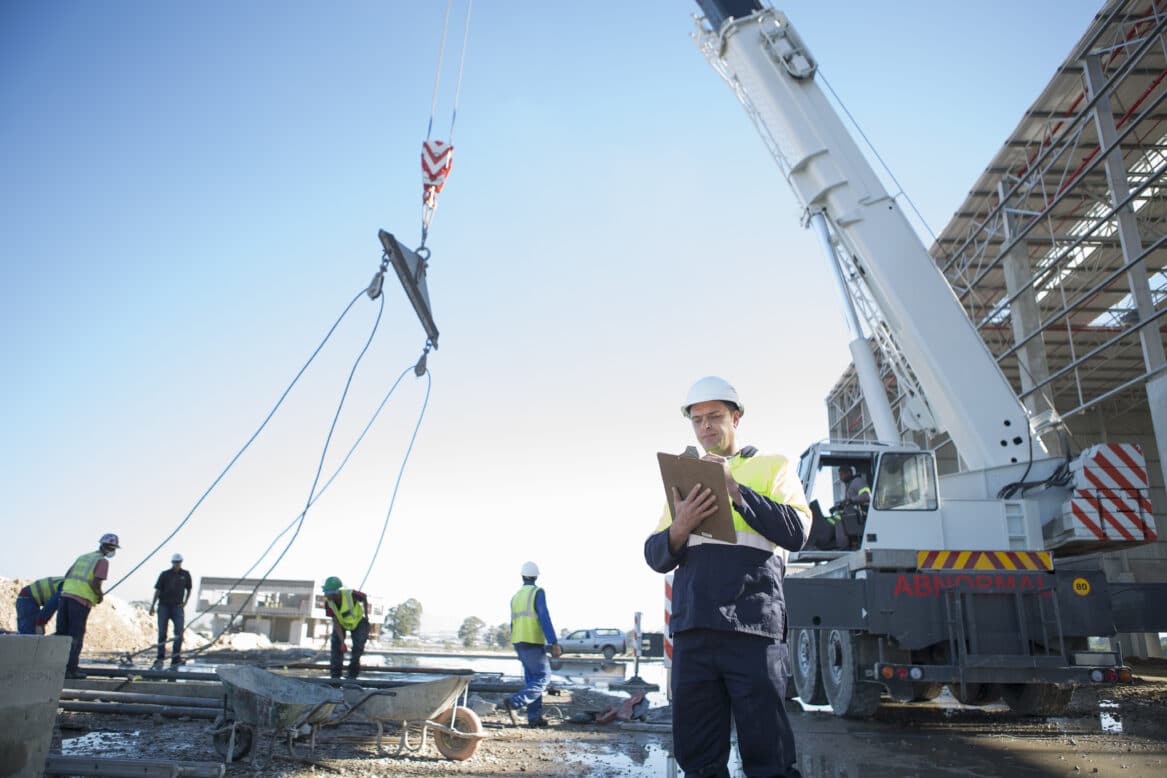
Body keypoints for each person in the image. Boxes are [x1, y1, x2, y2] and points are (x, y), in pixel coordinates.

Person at [645, 377, 811, 778]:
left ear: (736, 417)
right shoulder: (682, 481)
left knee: (768, 757)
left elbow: (797, 532)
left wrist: (736, 491)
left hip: (753, 631)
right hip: (694, 631)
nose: (706, 426)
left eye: (715, 416)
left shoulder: (773, 466)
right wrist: (679, 526)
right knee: (699, 760)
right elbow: (655, 555)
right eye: (697, 419)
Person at [502, 561, 562, 728]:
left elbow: (512, 623)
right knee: (543, 677)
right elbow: (544, 617)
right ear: (536, 577)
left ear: (522, 576)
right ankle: (515, 702)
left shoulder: (516, 597)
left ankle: (534, 718)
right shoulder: (537, 592)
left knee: (532, 680)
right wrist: (554, 642)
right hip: (533, 641)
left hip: (519, 642)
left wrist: (515, 645)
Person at [57, 533, 120, 679]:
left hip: (65, 596)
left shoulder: (84, 557)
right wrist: (99, 596)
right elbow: (95, 583)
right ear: (111, 548)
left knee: (61, 635)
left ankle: (58, 668)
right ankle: (71, 669)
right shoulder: (102, 561)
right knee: (75, 636)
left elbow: (68, 574)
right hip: (80, 601)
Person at [321, 576, 370, 680]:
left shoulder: (350, 594)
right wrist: (342, 642)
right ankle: (335, 676)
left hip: (357, 622)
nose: (325, 595)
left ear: (335, 592)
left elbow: (364, 597)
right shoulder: (329, 603)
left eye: (327, 592)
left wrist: (366, 617)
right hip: (341, 624)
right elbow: (335, 622)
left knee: (358, 647)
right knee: (336, 645)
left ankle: (352, 676)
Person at [149, 553, 192, 669]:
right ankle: (160, 657)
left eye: (178, 563)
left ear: (181, 563)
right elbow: (157, 590)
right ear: (172, 563)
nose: (176, 565)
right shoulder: (164, 574)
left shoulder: (185, 574)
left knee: (179, 633)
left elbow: (189, 589)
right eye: (175, 563)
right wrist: (152, 605)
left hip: (177, 607)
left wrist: (185, 602)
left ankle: (176, 657)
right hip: (164, 606)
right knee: (162, 633)